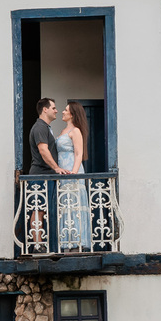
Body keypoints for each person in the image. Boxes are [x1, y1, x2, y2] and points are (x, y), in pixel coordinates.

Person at [25, 98, 65, 252]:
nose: (56, 110)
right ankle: (37, 245)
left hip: (44, 176)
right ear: (45, 109)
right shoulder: (40, 127)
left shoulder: (45, 127)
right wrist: (56, 168)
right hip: (40, 176)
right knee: (37, 210)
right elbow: (43, 150)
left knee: (41, 210)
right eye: (54, 108)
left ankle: (41, 244)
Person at [56, 101, 92, 251]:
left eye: (65, 110)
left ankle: (77, 244)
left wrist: (74, 173)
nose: (62, 112)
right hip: (63, 173)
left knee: (75, 207)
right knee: (66, 207)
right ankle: (66, 244)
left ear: (72, 114)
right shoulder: (63, 131)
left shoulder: (76, 131)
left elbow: (78, 153)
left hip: (72, 171)